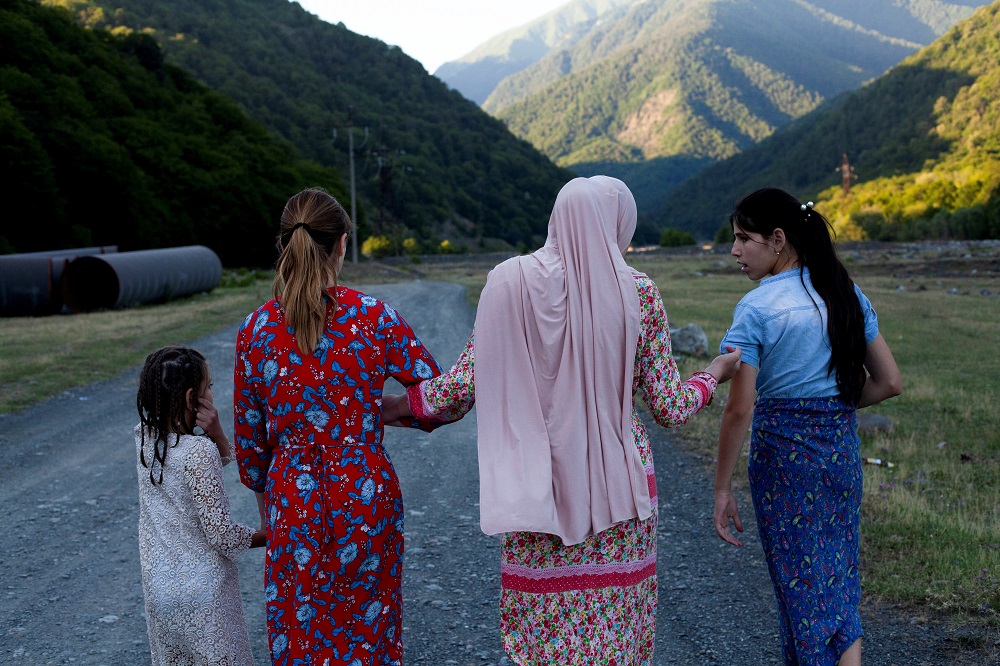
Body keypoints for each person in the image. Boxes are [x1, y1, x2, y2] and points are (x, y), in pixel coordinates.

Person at [382, 175, 743, 664]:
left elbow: (463, 385)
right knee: (614, 635)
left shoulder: (508, 283)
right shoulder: (637, 292)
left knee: (546, 639)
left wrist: (388, 408)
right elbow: (669, 406)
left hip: (536, 485)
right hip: (620, 492)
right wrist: (712, 375)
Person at [232, 188, 446, 665]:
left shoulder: (255, 330)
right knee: (367, 629)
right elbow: (441, 401)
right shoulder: (375, 317)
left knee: (301, 630)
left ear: (283, 243)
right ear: (343, 245)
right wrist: (389, 409)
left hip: (293, 498)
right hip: (366, 496)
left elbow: (249, 451)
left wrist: (273, 508)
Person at [712, 188, 902, 666]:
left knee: (799, 587)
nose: (734, 250)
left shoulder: (756, 309)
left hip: (783, 466)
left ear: (778, 239)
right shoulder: (844, 292)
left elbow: (739, 409)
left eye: (743, 238)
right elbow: (890, 381)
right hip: (839, 456)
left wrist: (721, 488)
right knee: (839, 579)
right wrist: (834, 407)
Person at [134, 345, 266, 665]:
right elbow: (221, 535)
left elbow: (190, 478)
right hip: (205, 596)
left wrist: (216, 435)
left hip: (159, 590)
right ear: (193, 398)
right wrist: (267, 536)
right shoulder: (199, 452)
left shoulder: (143, 437)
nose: (213, 393)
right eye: (210, 387)